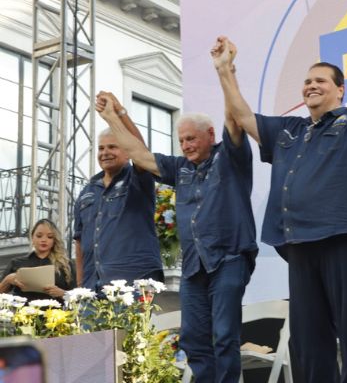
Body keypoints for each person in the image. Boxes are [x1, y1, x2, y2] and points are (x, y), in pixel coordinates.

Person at [211, 13, 347, 381]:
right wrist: (225, 70)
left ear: (340, 90)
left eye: (320, 80)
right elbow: (243, 116)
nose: (311, 85)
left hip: (346, 237)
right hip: (300, 243)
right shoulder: (289, 128)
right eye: (307, 81)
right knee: (309, 340)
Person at [96, 91, 258, 382]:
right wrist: (113, 116)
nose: (185, 146)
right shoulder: (180, 167)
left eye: (191, 139)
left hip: (229, 258)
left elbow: (235, 118)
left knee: (223, 335)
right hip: (194, 267)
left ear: (210, 135)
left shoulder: (230, 157)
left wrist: (224, 72)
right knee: (193, 339)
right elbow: (139, 154)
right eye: (181, 141)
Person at [73, 113, 164, 291]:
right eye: (101, 148)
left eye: (112, 147)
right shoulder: (87, 191)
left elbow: (142, 152)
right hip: (92, 285)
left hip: (133, 279)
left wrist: (120, 114)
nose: (105, 153)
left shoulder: (137, 179)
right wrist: (80, 285)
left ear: (128, 152)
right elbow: (79, 241)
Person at [0, 219, 76, 302]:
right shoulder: (17, 262)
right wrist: (8, 280)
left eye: (49, 237)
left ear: (54, 240)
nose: (44, 240)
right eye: (39, 236)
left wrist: (62, 293)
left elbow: (77, 300)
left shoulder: (65, 265)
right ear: (32, 238)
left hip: (56, 313)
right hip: (23, 312)